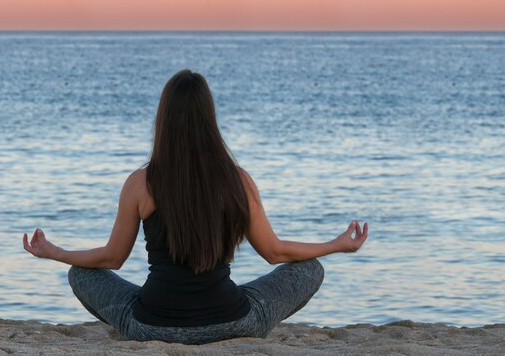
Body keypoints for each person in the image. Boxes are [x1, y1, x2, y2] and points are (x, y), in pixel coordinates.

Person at [23, 69, 368, 345]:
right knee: (311, 269)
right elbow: (275, 252)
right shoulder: (238, 180)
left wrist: (56, 251)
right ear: (209, 118)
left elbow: (112, 258)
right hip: (234, 322)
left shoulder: (140, 184)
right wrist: (337, 244)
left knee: (79, 273)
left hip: (150, 327)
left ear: (164, 119)